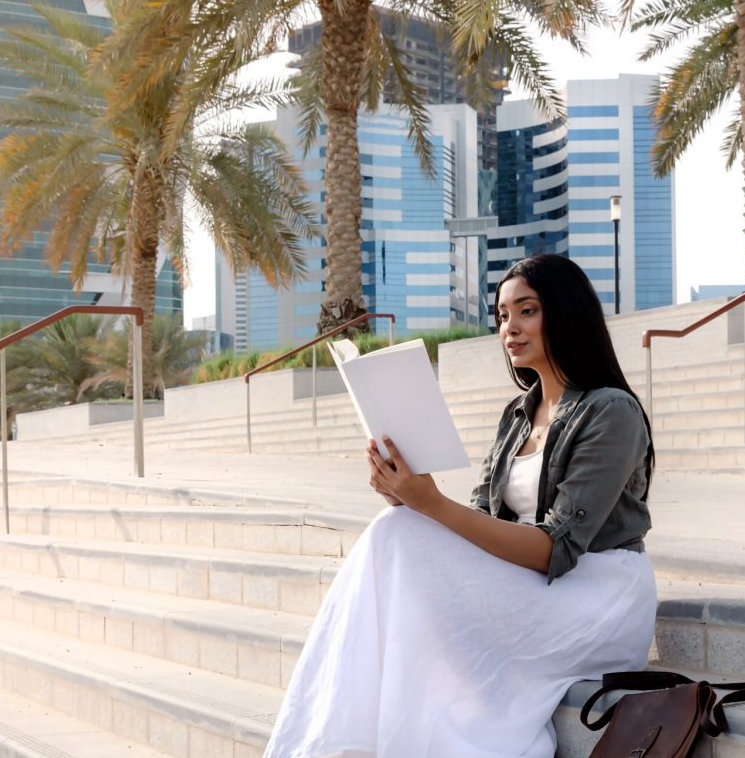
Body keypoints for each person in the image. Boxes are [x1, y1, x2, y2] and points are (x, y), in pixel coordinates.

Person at [263, 254, 657, 758]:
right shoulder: (519, 414)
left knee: (401, 533)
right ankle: (340, 742)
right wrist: (408, 495)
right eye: (501, 316)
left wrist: (431, 506)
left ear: (566, 312)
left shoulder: (611, 411)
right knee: (397, 527)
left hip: (599, 596)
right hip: (540, 588)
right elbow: (482, 520)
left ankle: (334, 743)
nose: (509, 328)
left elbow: (555, 550)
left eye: (526, 311)